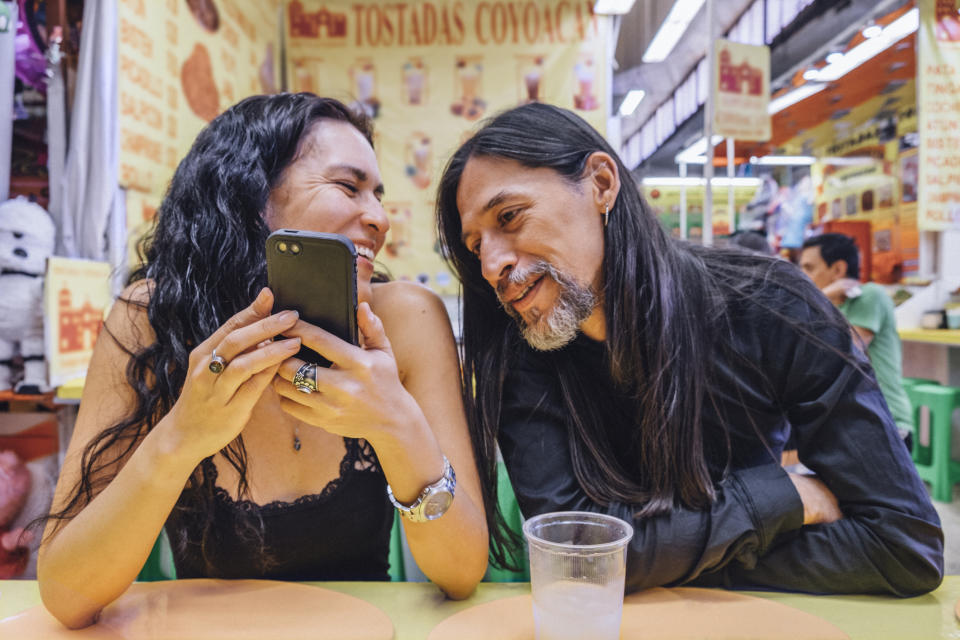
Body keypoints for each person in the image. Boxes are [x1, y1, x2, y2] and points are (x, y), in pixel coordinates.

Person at [435, 103, 942, 596]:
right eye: (476, 245)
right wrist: (783, 497)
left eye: (509, 216)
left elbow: (902, 544)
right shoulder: (522, 355)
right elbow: (575, 556)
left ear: (601, 184)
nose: (490, 265)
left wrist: (656, 561)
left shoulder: (769, 305)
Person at [37, 93, 487, 629]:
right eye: (349, 187)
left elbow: (460, 573)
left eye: (378, 195)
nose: (380, 218)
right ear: (250, 194)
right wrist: (182, 436)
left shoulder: (407, 320)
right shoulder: (150, 320)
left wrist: (396, 424)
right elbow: (67, 596)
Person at [799, 233, 914, 443]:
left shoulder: (870, 296)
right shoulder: (831, 306)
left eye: (809, 268)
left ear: (838, 269)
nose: (803, 275)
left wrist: (819, 298)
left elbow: (839, 354)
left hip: (884, 421)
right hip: (848, 423)